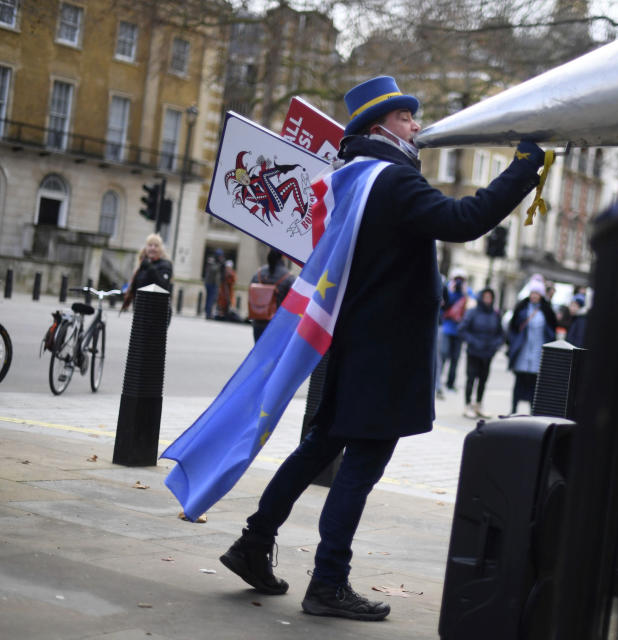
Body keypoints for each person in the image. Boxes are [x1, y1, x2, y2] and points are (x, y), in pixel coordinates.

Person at [218, 75, 545, 621]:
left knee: (318, 450)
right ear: (379, 128)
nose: (417, 125)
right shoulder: (391, 181)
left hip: (355, 348)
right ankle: (328, 583)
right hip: (384, 356)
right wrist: (523, 166)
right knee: (359, 467)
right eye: (406, 118)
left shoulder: (353, 177)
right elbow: (464, 220)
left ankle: (253, 544)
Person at [506, 280, 557, 414]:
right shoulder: (522, 308)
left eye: (537, 293)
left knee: (535, 384)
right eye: (532, 292)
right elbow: (513, 328)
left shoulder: (546, 311)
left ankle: (533, 410)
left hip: (538, 353)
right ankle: (514, 408)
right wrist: (512, 344)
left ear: (541, 295)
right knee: (519, 381)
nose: (534, 295)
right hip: (522, 351)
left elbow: (552, 330)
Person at [458, 288, 505, 418]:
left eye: (490, 297)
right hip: (474, 352)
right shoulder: (472, 312)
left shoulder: (495, 314)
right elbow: (462, 329)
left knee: (483, 380)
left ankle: (478, 404)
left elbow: (500, 334)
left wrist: (495, 346)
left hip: (488, 353)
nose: (487, 300)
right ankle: (467, 405)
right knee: (471, 378)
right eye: (485, 297)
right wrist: (473, 342)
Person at [249, 248, 294, 342]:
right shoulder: (288, 277)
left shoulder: (258, 274)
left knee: (258, 353)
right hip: (278, 324)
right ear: (283, 257)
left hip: (258, 321)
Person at [439, 267, 472, 393]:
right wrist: (450, 293)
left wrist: (465, 294)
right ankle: (438, 382)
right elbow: (443, 307)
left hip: (459, 331)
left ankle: (450, 383)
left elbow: (471, 308)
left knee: (455, 359)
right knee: (443, 356)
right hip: (447, 329)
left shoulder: (467, 292)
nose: (458, 282)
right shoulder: (447, 289)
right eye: (456, 279)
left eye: (461, 280)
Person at [121, 233, 173, 312]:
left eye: (156, 245)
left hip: (158, 312)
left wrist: (150, 267)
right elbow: (135, 287)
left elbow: (163, 285)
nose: (152, 248)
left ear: (160, 249)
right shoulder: (142, 264)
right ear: (146, 247)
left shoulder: (165, 265)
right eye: (150, 245)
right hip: (140, 310)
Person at [204, 249, 224, 319]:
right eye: (220, 256)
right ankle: (208, 313)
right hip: (211, 283)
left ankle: (209, 312)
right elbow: (213, 269)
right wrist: (219, 264)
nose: (221, 257)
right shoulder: (212, 261)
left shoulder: (218, 262)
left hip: (214, 283)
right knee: (210, 299)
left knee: (212, 299)